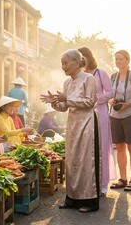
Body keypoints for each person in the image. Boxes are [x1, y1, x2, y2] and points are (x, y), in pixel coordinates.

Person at [41, 49, 99, 213]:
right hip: (73, 123)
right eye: (62, 63)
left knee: (86, 160)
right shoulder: (67, 83)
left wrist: (67, 99)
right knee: (72, 160)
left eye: (66, 63)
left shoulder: (89, 78)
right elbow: (64, 107)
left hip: (87, 122)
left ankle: (89, 200)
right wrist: (53, 102)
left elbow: (90, 102)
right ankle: (72, 198)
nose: (63, 67)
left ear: (76, 62)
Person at [79, 46, 116, 197]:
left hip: (100, 113)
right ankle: (88, 183)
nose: (80, 60)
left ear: (88, 57)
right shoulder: (79, 76)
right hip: (84, 114)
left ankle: (102, 184)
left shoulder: (100, 73)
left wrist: (96, 100)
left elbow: (111, 92)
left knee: (101, 146)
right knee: (87, 148)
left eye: (82, 57)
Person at [108, 50, 131, 193]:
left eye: (121, 59)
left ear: (128, 61)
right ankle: (122, 178)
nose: (118, 62)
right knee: (120, 147)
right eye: (116, 59)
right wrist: (111, 100)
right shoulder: (112, 77)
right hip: (115, 115)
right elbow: (109, 95)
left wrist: (128, 104)